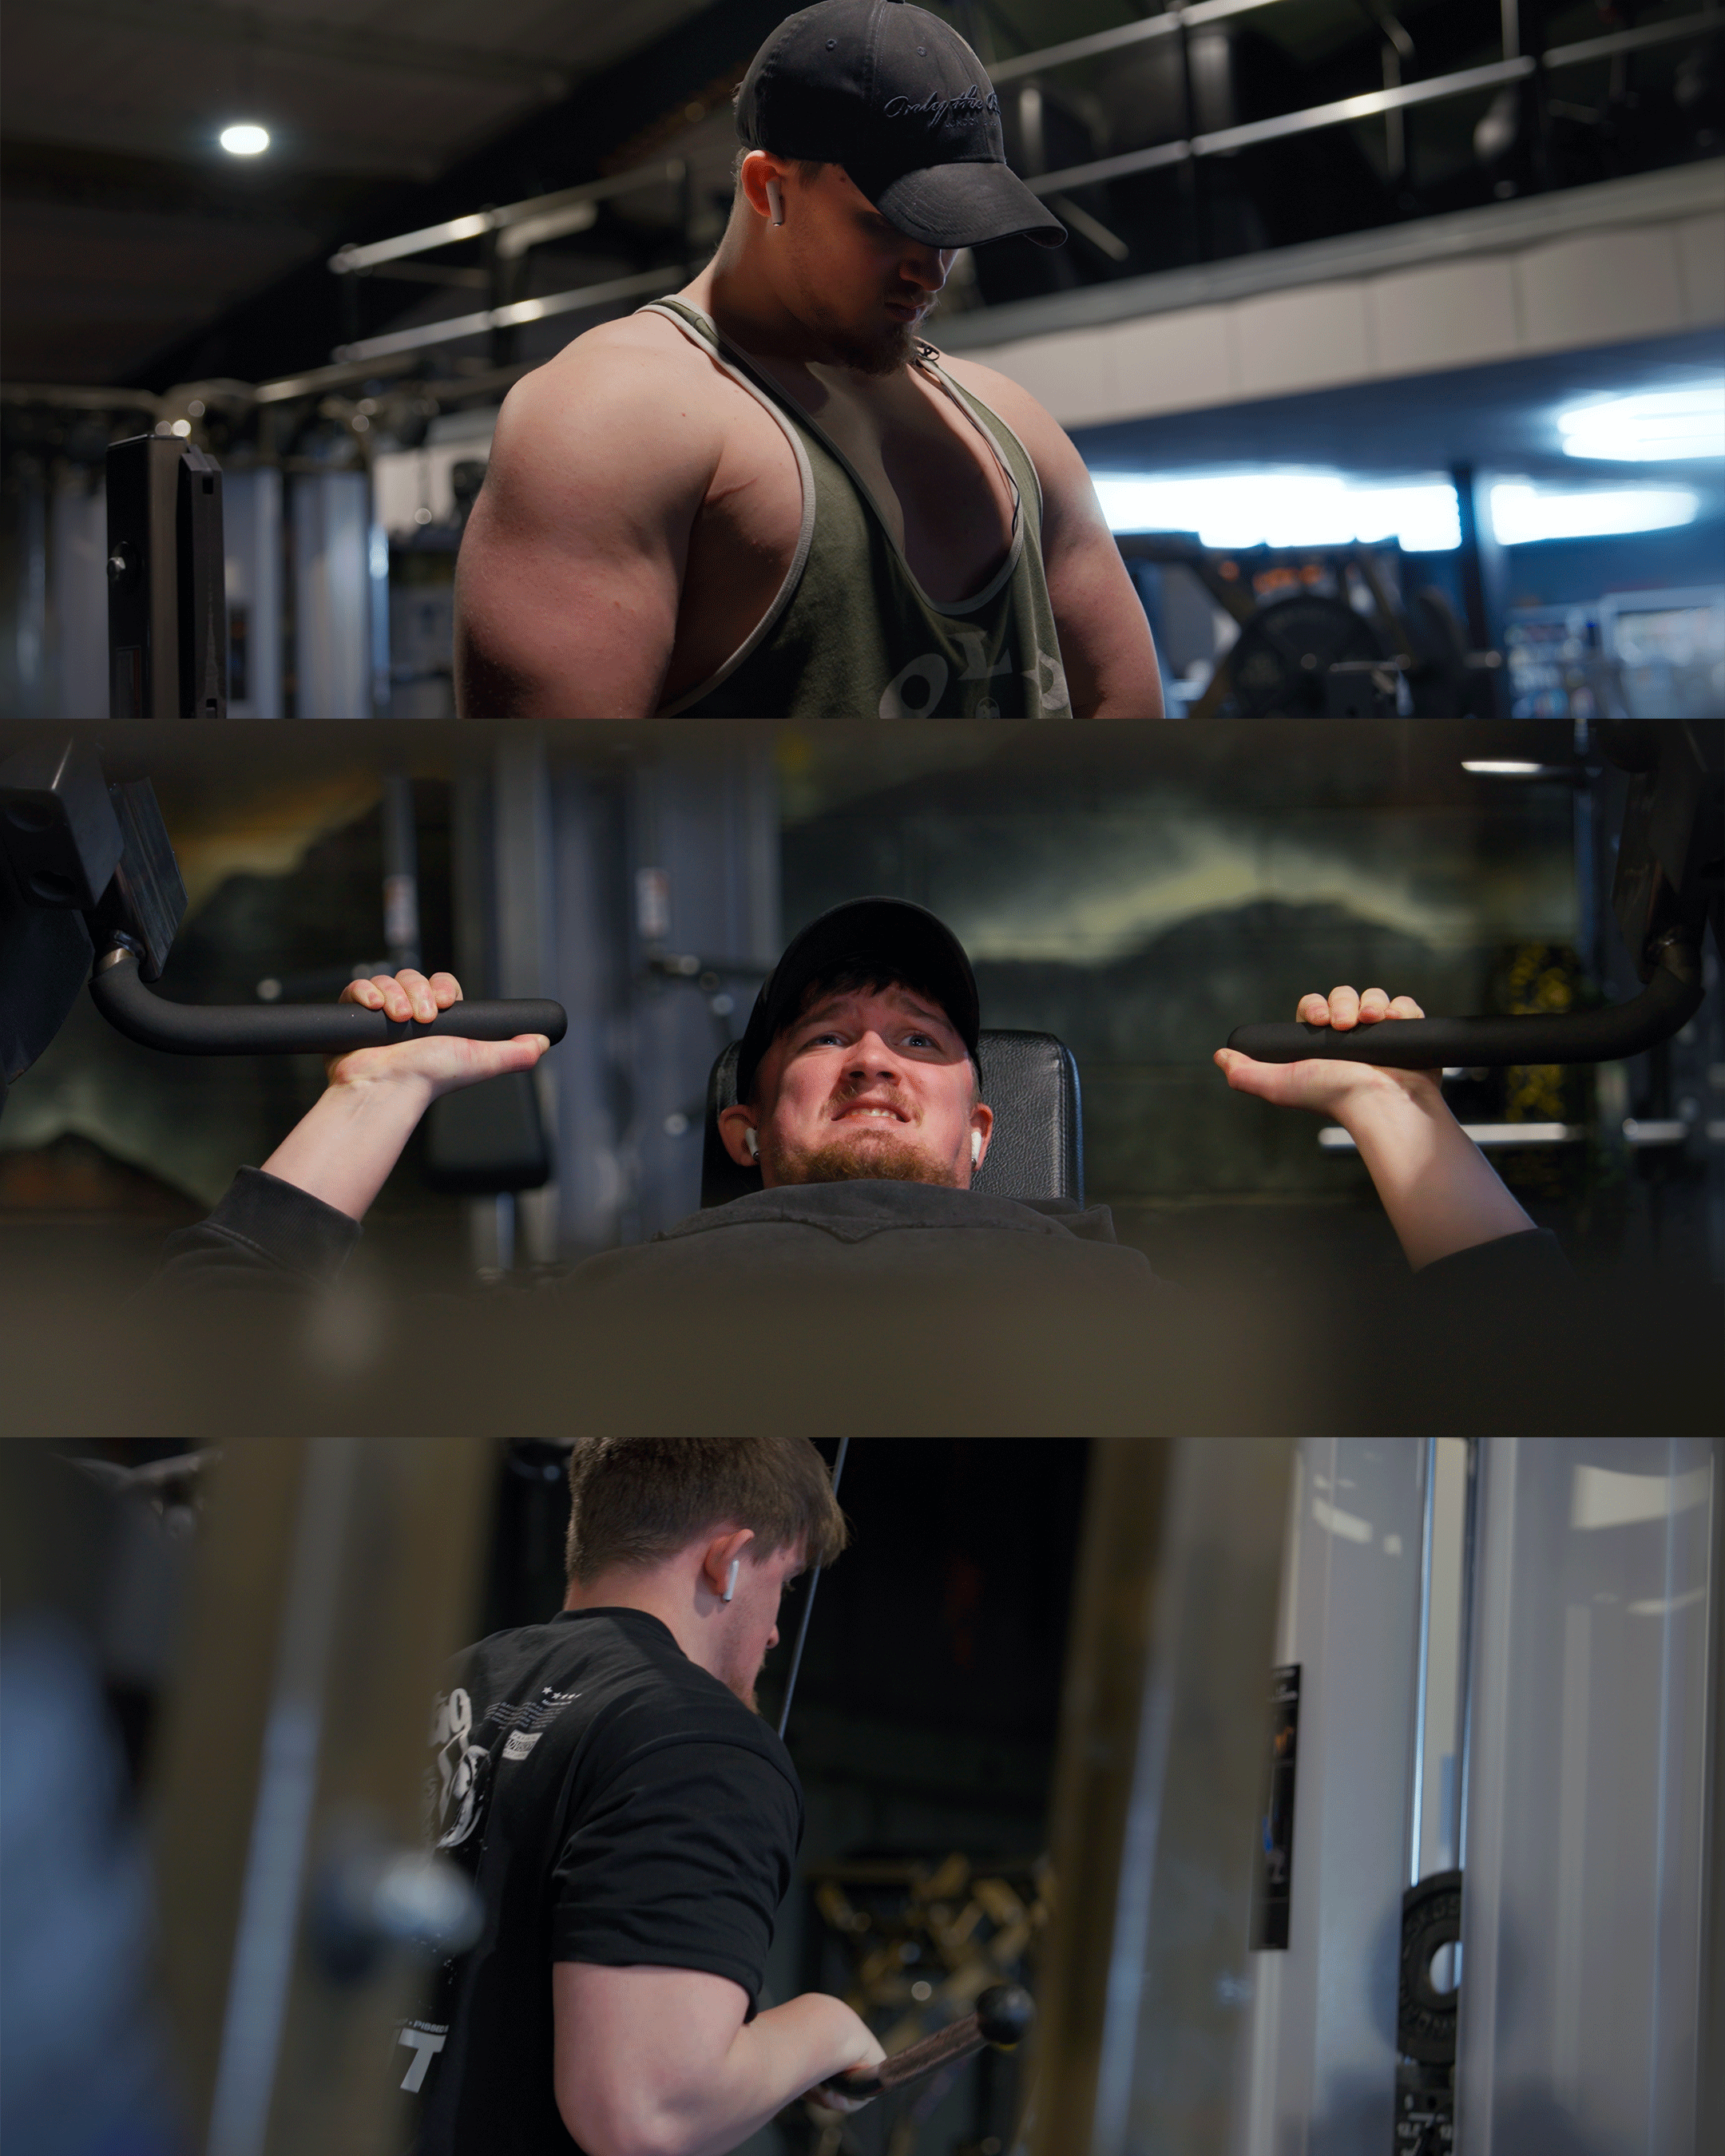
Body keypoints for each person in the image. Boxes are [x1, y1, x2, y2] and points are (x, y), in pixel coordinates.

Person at [154, 895, 1556, 1320]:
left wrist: (1395, 1114)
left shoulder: (1132, 1304)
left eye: (922, 1042)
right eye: (825, 1038)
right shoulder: (609, 1303)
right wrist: (380, 1089)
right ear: (744, 1132)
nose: (875, 1058)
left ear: (984, 1128)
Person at [453, 0, 1163, 720]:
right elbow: (548, 798)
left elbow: (1133, 731)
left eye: (954, 231)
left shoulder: (1014, 424)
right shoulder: (611, 419)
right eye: (894, 227)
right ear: (770, 187)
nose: (934, 272)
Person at [401, 1435, 883, 2154]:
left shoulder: (450, 1685)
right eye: (782, 1581)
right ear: (730, 1559)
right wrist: (824, 2027)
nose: (779, 1628)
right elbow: (651, 2109)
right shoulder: (701, 1742)